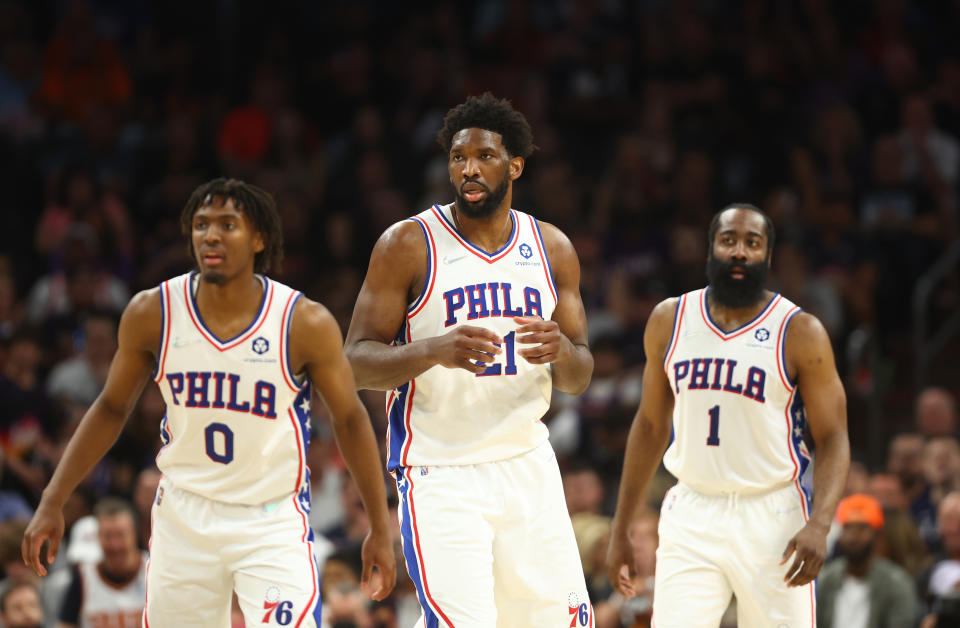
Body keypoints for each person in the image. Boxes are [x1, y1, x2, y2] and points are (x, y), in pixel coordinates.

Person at [22, 178, 396, 626]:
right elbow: (110, 408)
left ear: (259, 237)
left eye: (227, 224)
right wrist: (53, 499)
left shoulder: (302, 322)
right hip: (185, 514)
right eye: (201, 225)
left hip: (270, 516)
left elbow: (352, 420)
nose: (211, 235)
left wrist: (378, 524)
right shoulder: (152, 312)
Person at [344, 92, 595, 627]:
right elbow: (355, 361)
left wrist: (562, 351)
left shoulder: (551, 248)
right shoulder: (408, 244)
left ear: (516, 165)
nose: (469, 169)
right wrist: (434, 350)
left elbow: (579, 375)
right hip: (440, 468)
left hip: (527, 461)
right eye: (459, 158)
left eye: (484, 156)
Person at [606, 204, 850, 626]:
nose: (739, 251)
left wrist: (821, 524)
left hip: (773, 514)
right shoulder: (670, 319)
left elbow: (833, 437)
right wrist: (621, 525)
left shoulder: (799, 331)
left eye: (752, 243)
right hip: (692, 510)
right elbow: (648, 425)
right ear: (711, 249)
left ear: (768, 257)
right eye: (728, 240)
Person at [816, 494, 920, 628]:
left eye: (862, 528)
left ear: (877, 535)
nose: (853, 536)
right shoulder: (826, 579)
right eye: (848, 528)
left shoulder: (896, 583)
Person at [58, 498, 147, 628]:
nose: (115, 545)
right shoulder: (83, 577)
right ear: (98, 536)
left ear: (134, 534)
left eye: (120, 535)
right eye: (107, 536)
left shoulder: (154, 569)